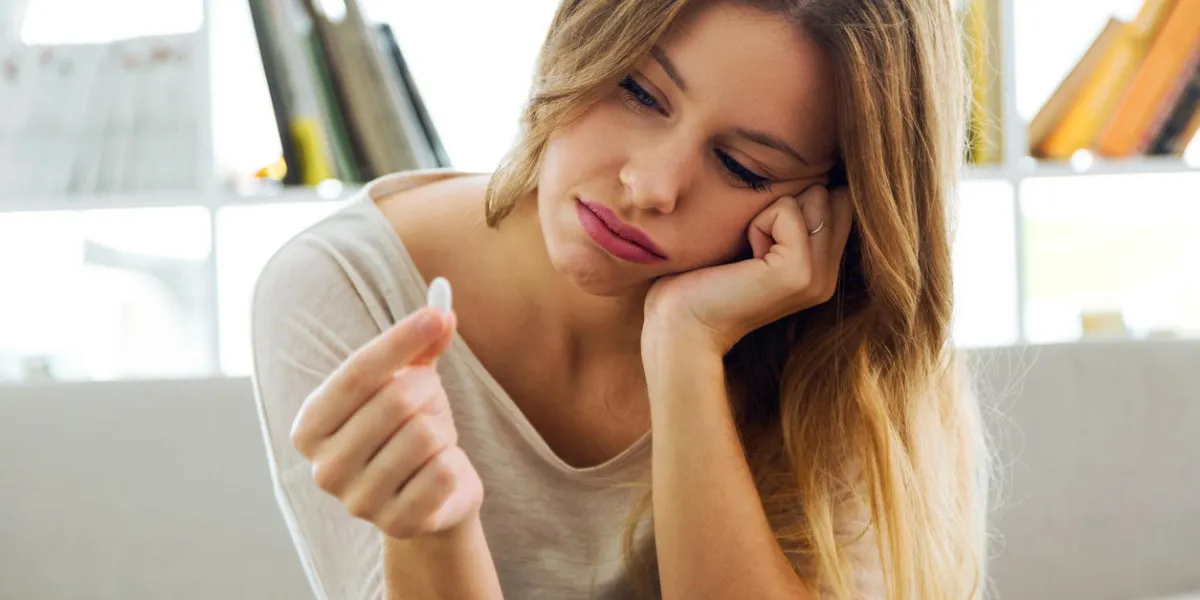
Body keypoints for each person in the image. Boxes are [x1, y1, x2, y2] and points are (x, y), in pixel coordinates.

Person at [250, 0, 991, 598]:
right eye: (638, 92)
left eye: (742, 166)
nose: (650, 185)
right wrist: (434, 533)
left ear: (834, 208)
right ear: (581, 38)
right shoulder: (348, 287)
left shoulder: (842, 354)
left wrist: (684, 349)